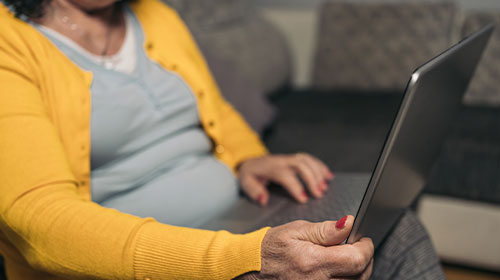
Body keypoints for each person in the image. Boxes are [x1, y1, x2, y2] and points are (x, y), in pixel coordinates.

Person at [0, 0, 444, 279]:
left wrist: (250, 158)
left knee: (393, 230)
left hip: (237, 216)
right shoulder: (9, 43)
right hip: (155, 257)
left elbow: (215, 108)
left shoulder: (157, 16)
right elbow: (41, 225)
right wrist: (242, 259)